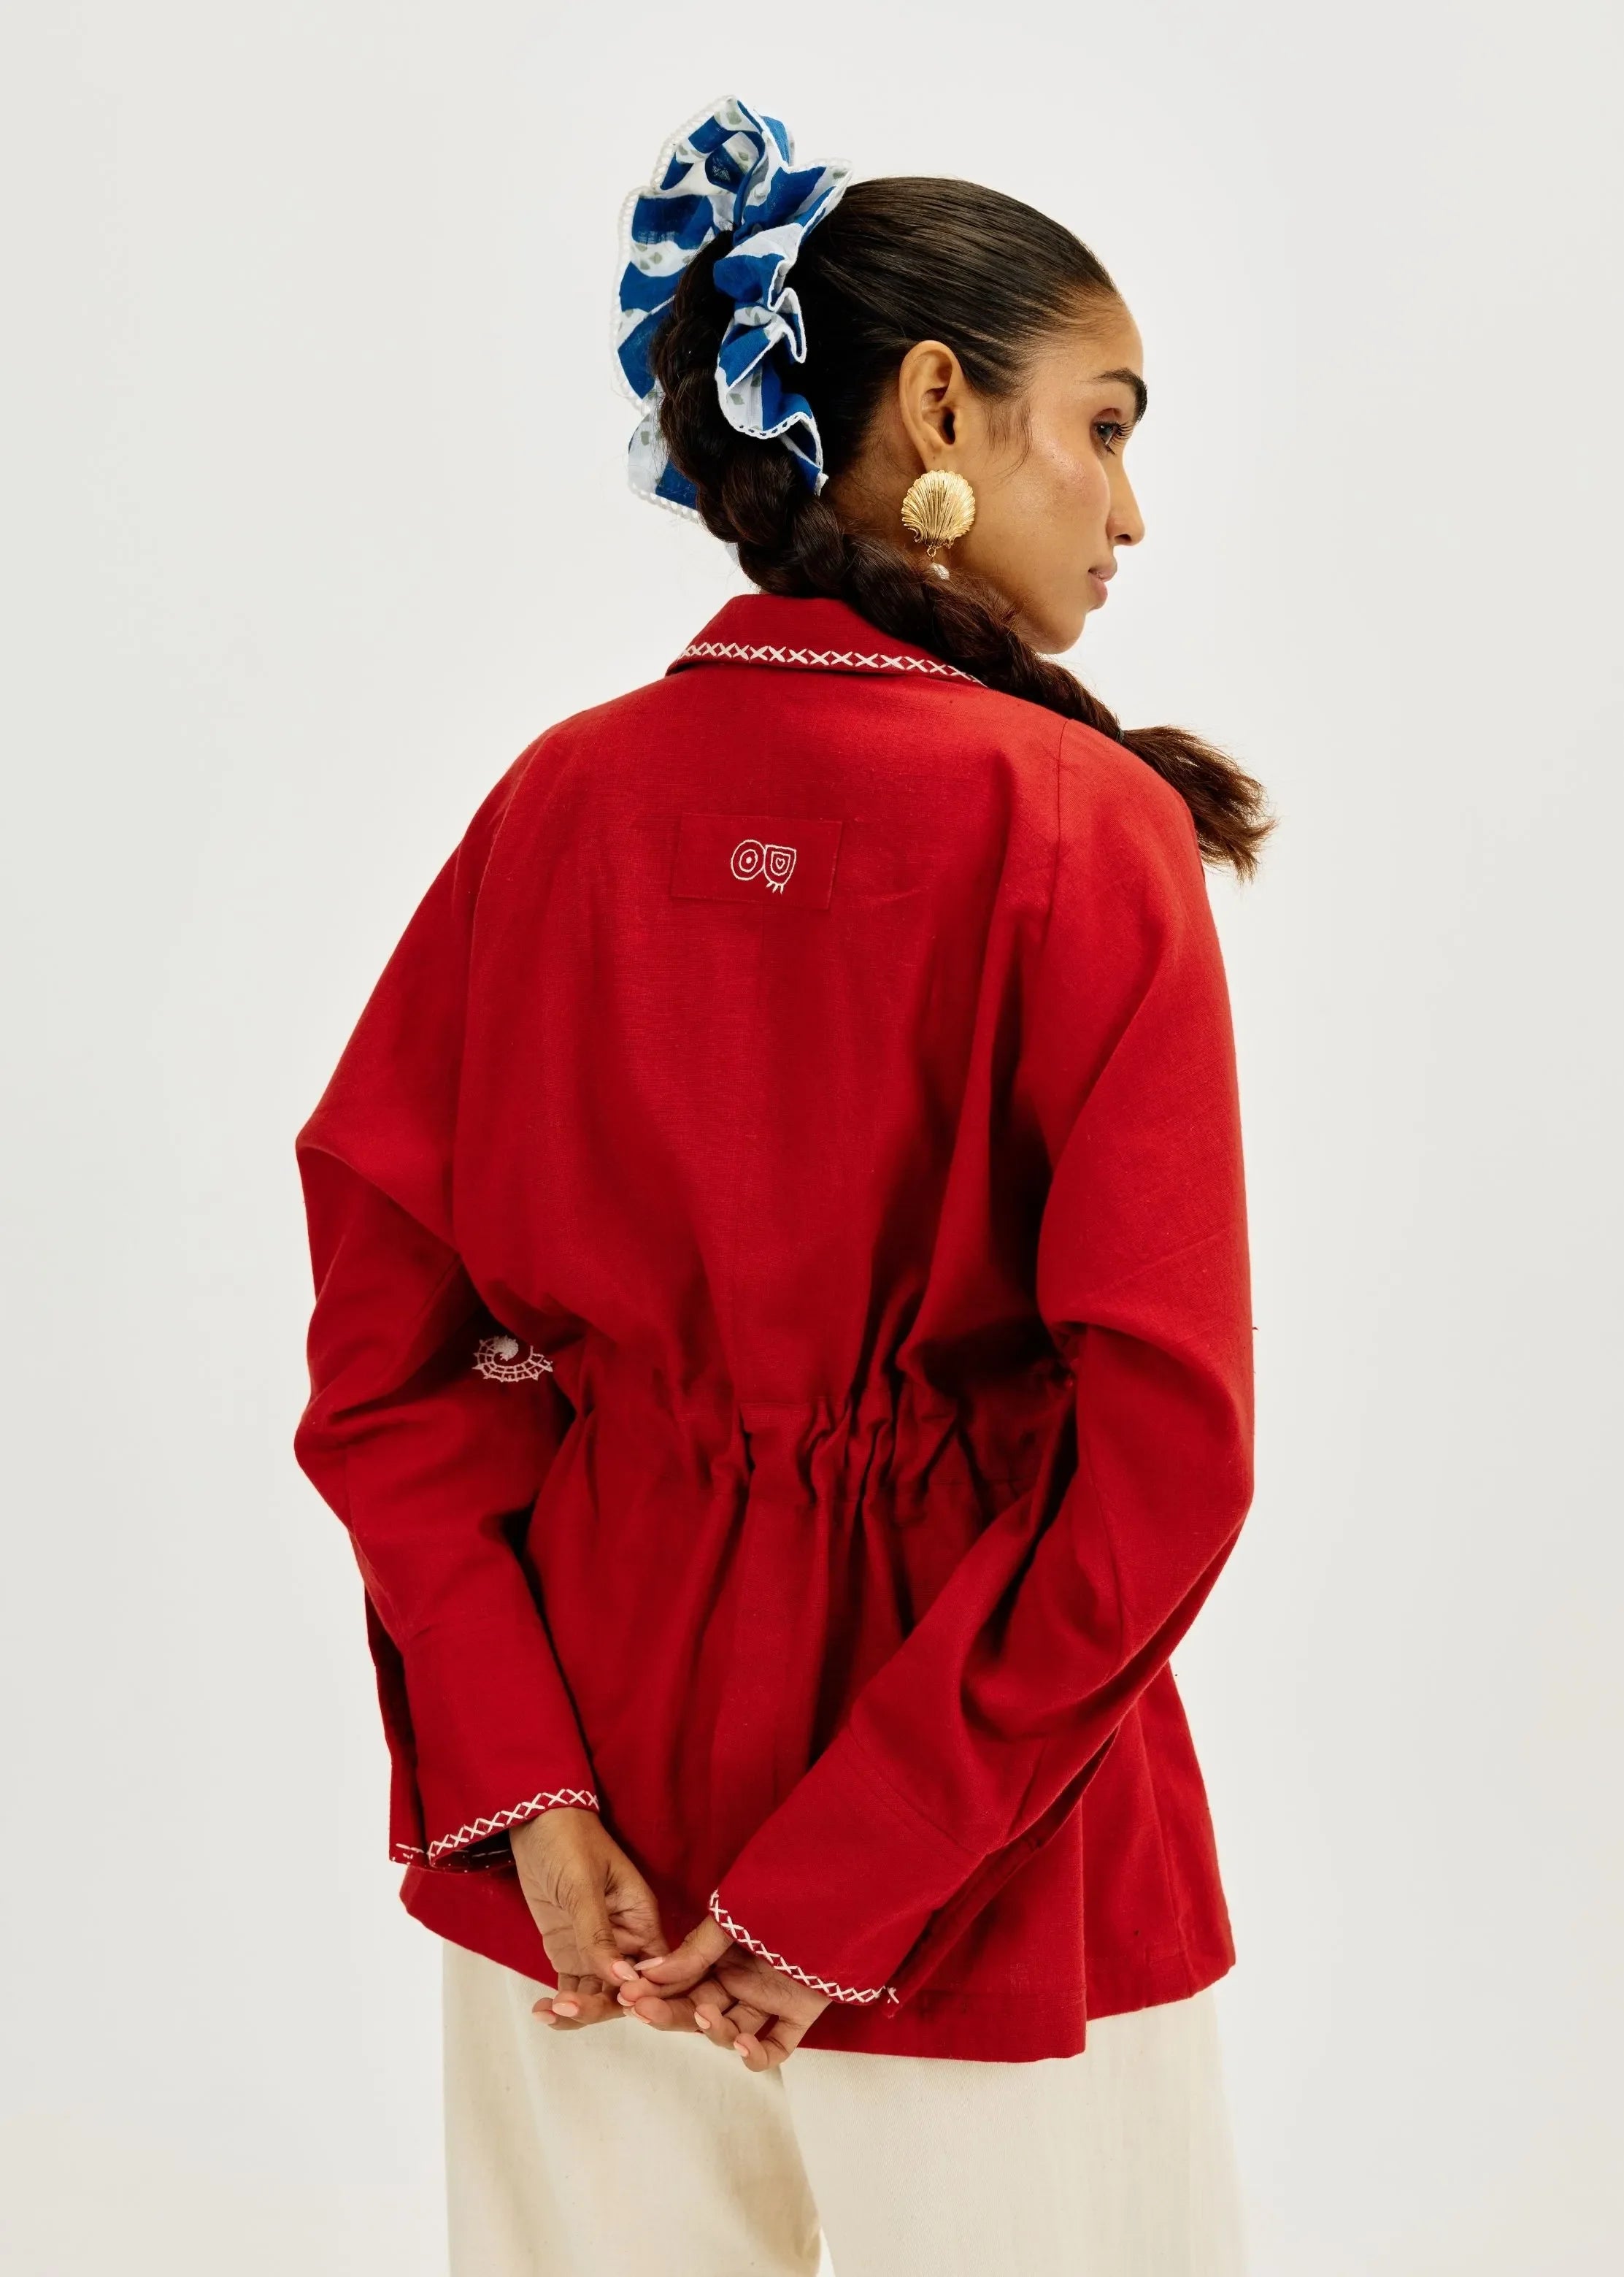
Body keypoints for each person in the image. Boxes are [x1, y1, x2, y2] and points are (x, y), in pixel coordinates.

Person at [294, 96, 1271, 2277]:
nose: (1127, 509)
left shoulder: (558, 805)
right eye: (1103, 426)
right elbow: (1164, 1450)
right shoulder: (1076, 830)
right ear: (939, 405)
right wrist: (860, 1869)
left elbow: (393, 1364)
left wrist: (530, 1786)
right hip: (985, 1856)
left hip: (587, 1862)